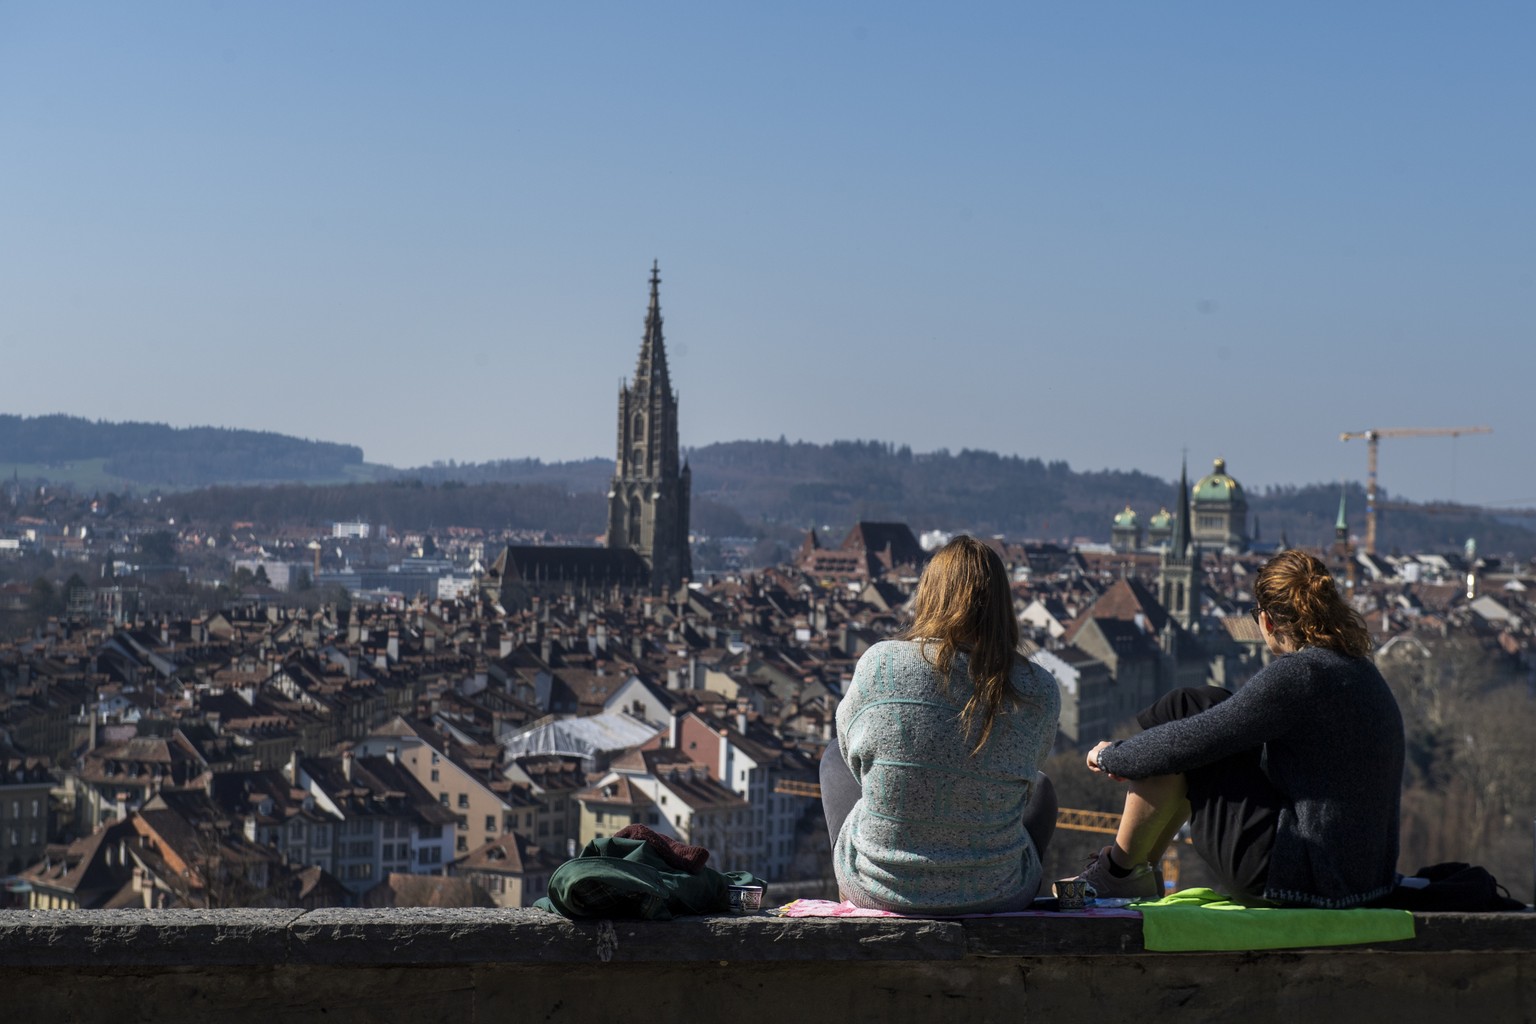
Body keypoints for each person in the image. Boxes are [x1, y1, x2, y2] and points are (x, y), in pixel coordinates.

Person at [1078, 550, 1405, 908]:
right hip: (1364, 879)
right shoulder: (1358, 669)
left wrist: (1112, 756)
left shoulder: (1300, 674)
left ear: (1267, 621)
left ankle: (1120, 873)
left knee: (1185, 709)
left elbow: (1190, 741)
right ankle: (1135, 872)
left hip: (1296, 877)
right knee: (1205, 702)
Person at [820, 535, 1062, 914]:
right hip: (999, 892)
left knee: (835, 753)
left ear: (929, 594)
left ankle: (852, 887)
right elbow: (1029, 778)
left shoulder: (880, 664)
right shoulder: (1039, 688)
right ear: (1002, 604)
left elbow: (854, 757)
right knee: (1042, 784)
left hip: (878, 887)